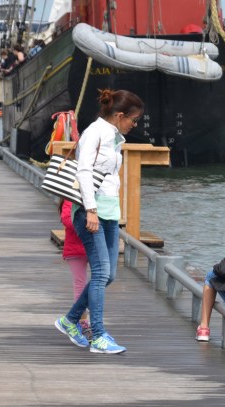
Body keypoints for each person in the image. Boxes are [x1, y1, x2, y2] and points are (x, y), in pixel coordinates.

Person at [54, 89, 144, 354]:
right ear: (119, 115)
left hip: (109, 211)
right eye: (134, 119)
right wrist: (90, 209)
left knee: (109, 274)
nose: (135, 124)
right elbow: (83, 172)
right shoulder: (95, 132)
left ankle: (70, 320)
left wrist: (109, 210)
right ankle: (98, 335)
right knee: (102, 273)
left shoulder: (115, 137)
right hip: (91, 211)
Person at [59, 198, 91, 340]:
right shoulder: (69, 198)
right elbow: (67, 220)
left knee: (98, 281)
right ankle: (82, 320)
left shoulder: (92, 197)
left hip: (91, 245)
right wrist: (88, 221)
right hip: (76, 248)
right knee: (80, 284)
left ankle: (86, 319)